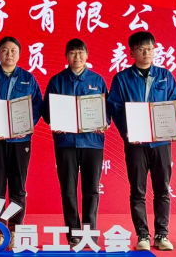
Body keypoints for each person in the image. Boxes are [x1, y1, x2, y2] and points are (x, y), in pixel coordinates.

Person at [107, 32, 176, 252]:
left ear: (155, 50)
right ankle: (143, 234)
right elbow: (115, 107)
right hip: (136, 143)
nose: (146, 53)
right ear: (131, 53)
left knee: (162, 189)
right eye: (140, 49)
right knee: (138, 190)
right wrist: (128, 131)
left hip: (161, 143)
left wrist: (170, 128)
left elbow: (173, 103)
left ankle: (162, 234)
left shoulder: (165, 76)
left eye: (150, 48)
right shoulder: (122, 79)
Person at [41, 38, 110, 248]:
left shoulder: (97, 80)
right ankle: (73, 233)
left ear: (87, 55)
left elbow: (106, 110)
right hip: (65, 142)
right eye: (72, 53)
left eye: (81, 52)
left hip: (92, 143)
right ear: (66, 56)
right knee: (68, 190)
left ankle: (89, 233)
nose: (77, 57)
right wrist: (55, 122)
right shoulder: (57, 81)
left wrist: (104, 122)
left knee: (91, 190)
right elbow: (46, 111)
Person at [0, 36, 43, 249]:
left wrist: (24, 127)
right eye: (5, 50)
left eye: (13, 50)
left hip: (20, 141)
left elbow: (37, 107)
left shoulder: (28, 78)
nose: (9, 54)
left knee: (17, 188)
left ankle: (14, 231)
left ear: (19, 54)